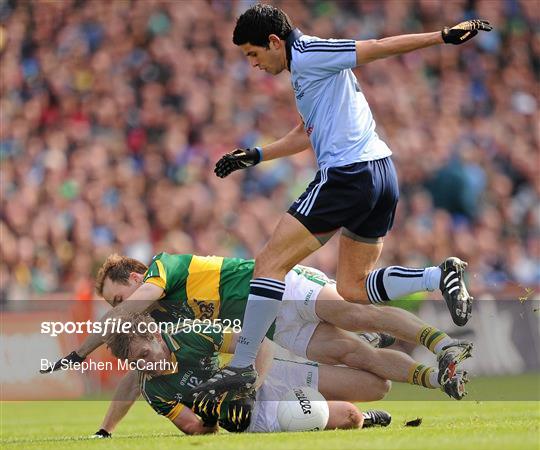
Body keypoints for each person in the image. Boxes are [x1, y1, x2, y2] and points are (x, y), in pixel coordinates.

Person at [199, 3, 491, 395]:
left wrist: (440, 36)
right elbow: (306, 133)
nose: (253, 63)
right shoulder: (305, 72)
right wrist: (256, 155)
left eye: (253, 54)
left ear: (273, 41)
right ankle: (439, 276)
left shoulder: (307, 53)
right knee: (353, 287)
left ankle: (242, 366)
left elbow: (376, 46)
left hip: (348, 173)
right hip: (380, 172)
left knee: (269, 264)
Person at [43, 252, 472, 404]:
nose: (120, 307)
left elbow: (121, 317)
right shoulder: (160, 319)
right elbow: (136, 365)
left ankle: (443, 343)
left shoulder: (162, 268)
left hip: (280, 286)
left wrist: (81, 349)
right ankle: (439, 377)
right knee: (355, 356)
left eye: (117, 296)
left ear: (134, 279)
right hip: (275, 327)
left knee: (354, 313)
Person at [100, 311, 393, 436]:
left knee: (378, 386)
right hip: (252, 416)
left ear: (154, 335)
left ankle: (360, 344)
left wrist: (250, 387)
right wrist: (212, 417)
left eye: (145, 356)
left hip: (264, 374)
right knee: (351, 416)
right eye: (135, 364)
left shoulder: (191, 334)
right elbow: (193, 427)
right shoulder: (153, 390)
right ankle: (366, 419)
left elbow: (260, 343)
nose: (145, 366)